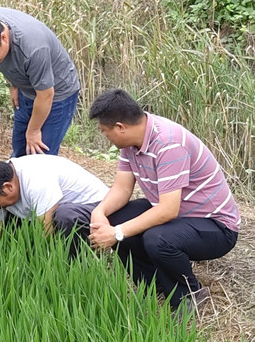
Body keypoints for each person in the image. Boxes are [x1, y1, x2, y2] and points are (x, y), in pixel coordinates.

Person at [87, 89, 240, 312]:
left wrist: (116, 233)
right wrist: (100, 213)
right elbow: (122, 188)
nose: (105, 136)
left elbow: (168, 210)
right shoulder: (131, 144)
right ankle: (155, 285)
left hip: (215, 225)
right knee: (116, 218)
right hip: (178, 216)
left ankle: (189, 296)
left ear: (120, 127)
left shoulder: (169, 143)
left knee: (157, 239)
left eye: (104, 131)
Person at [0, 7, 80, 158]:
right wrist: (13, 84)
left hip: (56, 94)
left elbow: (46, 95)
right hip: (27, 89)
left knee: (41, 156)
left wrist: (33, 131)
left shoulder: (33, 49)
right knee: (20, 149)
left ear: (3, 38)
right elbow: (6, 62)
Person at [0, 155, 109, 253]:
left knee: (64, 217)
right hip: (56, 207)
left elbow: (47, 232)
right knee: (10, 222)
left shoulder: (36, 181)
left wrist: (31, 261)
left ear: (8, 187)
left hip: (95, 208)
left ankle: (75, 262)